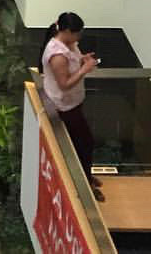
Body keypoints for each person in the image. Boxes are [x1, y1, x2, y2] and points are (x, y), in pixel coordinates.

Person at [41, 12, 102, 201]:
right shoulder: (57, 55)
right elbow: (64, 83)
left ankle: (86, 176)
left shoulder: (69, 44)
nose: (78, 38)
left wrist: (82, 59)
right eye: (76, 34)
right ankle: (84, 185)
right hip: (64, 107)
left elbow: (72, 61)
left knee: (83, 143)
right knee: (84, 143)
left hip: (74, 103)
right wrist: (85, 69)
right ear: (67, 31)